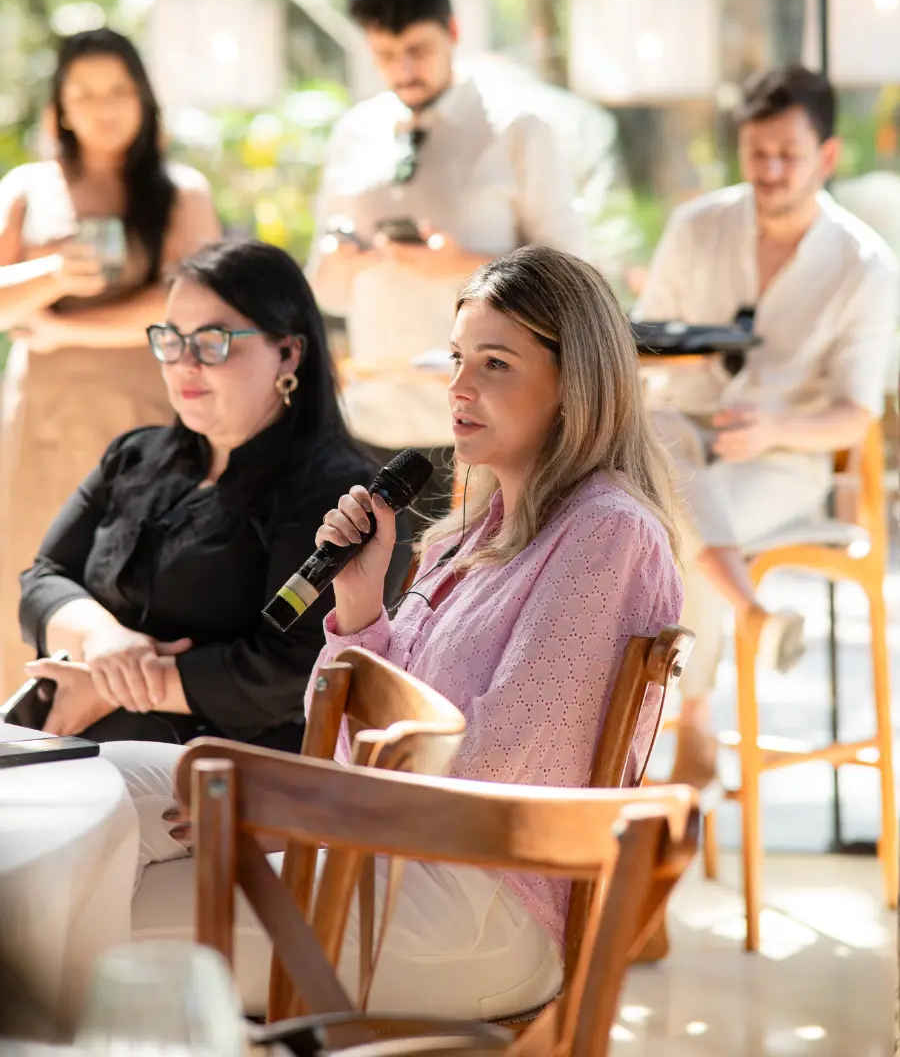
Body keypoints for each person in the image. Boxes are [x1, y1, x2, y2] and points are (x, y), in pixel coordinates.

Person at [100, 245, 682, 1018]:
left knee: (107, 917)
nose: (458, 387)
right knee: (100, 788)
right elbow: (342, 727)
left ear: (575, 384)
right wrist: (362, 605)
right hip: (390, 851)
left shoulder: (608, 534)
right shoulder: (469, 536)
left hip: (479, 904)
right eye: (456, 358)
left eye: (495, 364)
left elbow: (493, 767)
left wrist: (285, 799)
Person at [632, 66, 900, 787]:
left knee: (670, 529)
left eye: (789, 153)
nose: (771, 170)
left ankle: (689, 721)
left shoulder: (865, 264)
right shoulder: (698, 226)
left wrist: (776, 424)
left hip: (785, 460)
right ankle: (752, 616)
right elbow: (647, 343)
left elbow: (856, 413)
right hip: (677, 430)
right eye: (758, 153)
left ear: (829, 157)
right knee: (659, 452)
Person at [18, 238, 384, 750]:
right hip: (80, 743)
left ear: (288, 352)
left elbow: (291, 669)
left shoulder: (334, 492)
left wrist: (115, 688)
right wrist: (104, 640)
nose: (184, 363)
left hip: (223, 773)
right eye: (171, 338)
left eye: (213, 341)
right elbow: (43, 579)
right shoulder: (134, 456)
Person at [308, 0, 590, 527]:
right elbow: (327, 291)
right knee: (372, 599)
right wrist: (342, 262)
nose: (404, 68)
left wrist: (463, 266)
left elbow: (575, 279)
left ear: (453, 32)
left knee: (466, 602)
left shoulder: (517, 127)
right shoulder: (353, 133)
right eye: (386, 55)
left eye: (418, 49)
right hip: (371, 417)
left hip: (486, 422)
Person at [0, 28, 220, 697]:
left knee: (139, 580)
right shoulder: (27, 187)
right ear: (60, 106)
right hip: (42, 421)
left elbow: (185, 305)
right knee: (27, 574)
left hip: (146, 420)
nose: (103, 106)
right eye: (85, 92)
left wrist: (62, 330)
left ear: (145, 98)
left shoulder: (181, 190)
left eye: (118, 90)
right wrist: (52, 271)